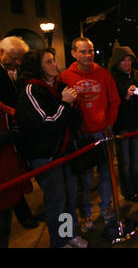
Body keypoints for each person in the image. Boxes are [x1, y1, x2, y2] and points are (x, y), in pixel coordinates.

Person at [15, 48, 88, 248]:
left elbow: (72, 122)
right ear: (37, 67)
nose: (55, 65)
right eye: (48, 62)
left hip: (66, 151)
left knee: (71, 196)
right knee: (57, 200)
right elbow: (47, 123)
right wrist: (65, 104)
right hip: (46, 155)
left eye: (54, 60)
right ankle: (59, 241)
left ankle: (70, 234)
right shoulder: (31, 90)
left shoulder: (60, 86)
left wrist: (73, 106)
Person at [58, 37, 121, 233]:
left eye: (91, 51)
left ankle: (106, 209)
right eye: (83, 51)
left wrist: (109, 123)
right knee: (84, 180)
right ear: (74, 53)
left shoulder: (103, 74)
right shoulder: (65, 76)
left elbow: (115, 101)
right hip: (82, 138)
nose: (88, 55)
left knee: (106, 175)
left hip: (102, 133)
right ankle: (86, 214)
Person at [0, 36, 39, 231]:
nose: (18, 63)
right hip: (2, 130)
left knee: (19, 171)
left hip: (19, 126)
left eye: (21, 58)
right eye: (14, 58)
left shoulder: (22, 68)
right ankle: (21, 215)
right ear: (1, 53)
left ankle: (21, 212)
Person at [108, 46, 138, 202]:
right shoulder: (113, 78)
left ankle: (137, 187)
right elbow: (113, 102)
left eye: (129, 59)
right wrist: (125, 95)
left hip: (135, 123)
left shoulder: (137, 76)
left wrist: (137, 93)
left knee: (136, 160)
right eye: (123, 60)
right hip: (121, 125)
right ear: (117, 62)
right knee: (125, 162)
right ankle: (128, 191)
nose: (127, 63)